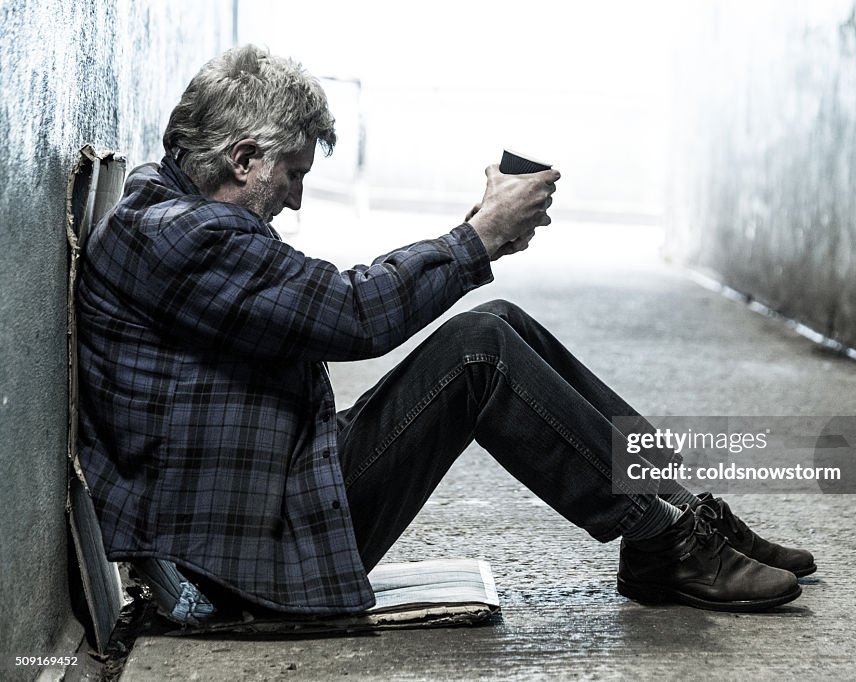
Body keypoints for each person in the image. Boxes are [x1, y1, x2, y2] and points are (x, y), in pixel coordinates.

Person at [76, 45, 814, 622]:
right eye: (293, 173)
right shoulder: (186, 236)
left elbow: (320, 298)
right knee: (478, 354)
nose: (296, 197)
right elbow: (352, 314)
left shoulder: (167, 210)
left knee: (496, 323)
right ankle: (665, 540)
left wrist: (473, 244)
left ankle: (679, 519)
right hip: (249, 551)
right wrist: (477, 237)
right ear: (243, 159)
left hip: (270, 491)